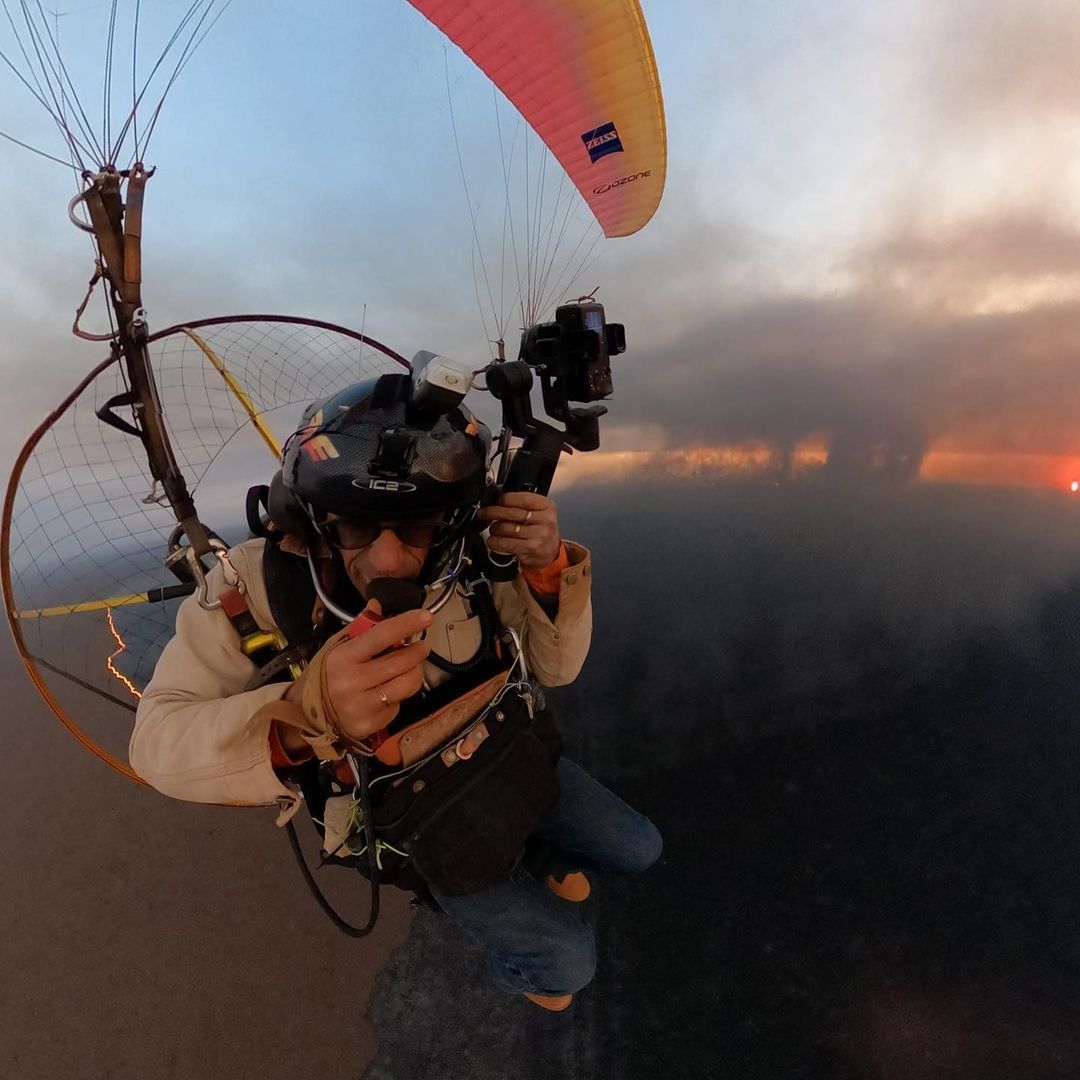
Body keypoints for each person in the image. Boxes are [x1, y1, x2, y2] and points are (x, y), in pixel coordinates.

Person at [130, 371, 661, 1012]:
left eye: (413, 528)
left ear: (451, 518)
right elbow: (155, 744)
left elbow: (555, 668)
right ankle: (498, 934)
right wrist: (304, 717)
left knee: (639, 849)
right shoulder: (257, 583)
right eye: (357, 527)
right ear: (317, 518)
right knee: (567, 963)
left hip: (508, 760)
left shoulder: (465, 555)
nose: (385, 559)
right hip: (411, 817)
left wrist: (545, 571)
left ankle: (536, 854)